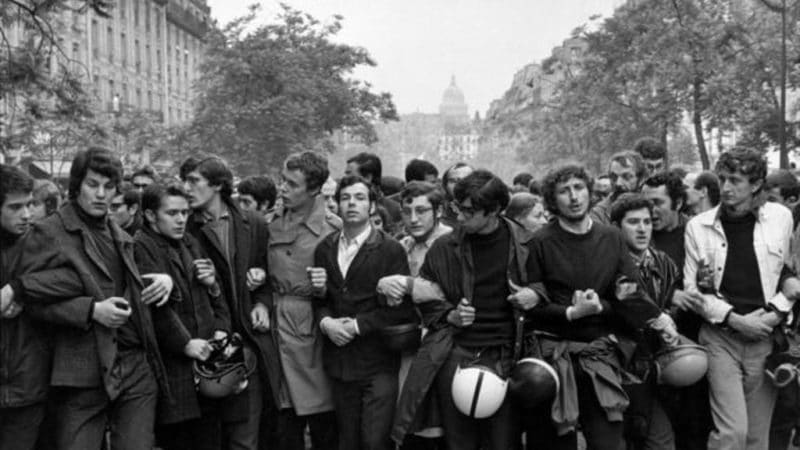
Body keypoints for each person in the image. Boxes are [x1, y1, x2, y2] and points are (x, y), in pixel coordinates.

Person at [11, 147, 173, 450]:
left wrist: (165, 280)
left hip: (135, 364)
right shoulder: (49, 231)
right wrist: (90, 310)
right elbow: (29, 300)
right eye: (92, 184)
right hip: (81, 368)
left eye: (109, 187)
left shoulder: (119, 233)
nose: (101, 194)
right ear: (77, 185)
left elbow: (131, 279)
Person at [524, 163, 677, 450]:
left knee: (608, 441)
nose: (574, 197)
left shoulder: (611, 237)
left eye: (579, 188)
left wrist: (656, 318)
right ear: (552, 199)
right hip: (555, 355)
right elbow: (532, 306)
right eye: (564, 191)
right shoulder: (539, 242)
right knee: (556, 442)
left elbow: (627, 291)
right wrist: (571, 313)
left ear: (589, 191)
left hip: (601, 353)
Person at [386, 170, 542, 449]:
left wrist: (536, 294)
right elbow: (427, 298)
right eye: (457, 208)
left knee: (503, 441)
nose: (459, 217)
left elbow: (552, 286)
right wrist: (450, 314)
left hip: (507, 354)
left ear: (494, 210)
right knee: (458, 441)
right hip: (455, 352)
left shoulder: (527, 243)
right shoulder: (445, 247)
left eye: (469, 212)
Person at [683, 148, 800, 450]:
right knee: (732, 433)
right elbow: (693, 290)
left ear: (756, 184)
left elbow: (787, 274)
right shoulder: (698, 226)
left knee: (756, 438)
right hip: (721, 337)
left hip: (765, 337)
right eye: (722, 179)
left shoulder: (780, 218)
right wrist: (735, 320)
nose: (725, 187)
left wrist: (774, 314)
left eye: (735, 180)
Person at [180, 155, 282, 450]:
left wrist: (261, 304)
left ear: (217, 184)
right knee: (208, 436)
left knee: (246, 434)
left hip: (248, 344)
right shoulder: (184, 227)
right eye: (184, 181)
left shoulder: (253, 223)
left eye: (194, 181)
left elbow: (266, 276)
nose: (186, 188)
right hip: (205, 344)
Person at [311, 174, 416, 450]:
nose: (351, 204)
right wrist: (326, 323)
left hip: (377, 359)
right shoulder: (324, 248)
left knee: (374, 440)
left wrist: (356, 326)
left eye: (359, 198)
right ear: (336, 204)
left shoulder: (390, 249)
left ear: (371, 205)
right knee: (347, 440)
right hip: (339, 360)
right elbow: (320, 300)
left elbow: (401, 311)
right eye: (345, 198)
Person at [134, 183, 231, 450]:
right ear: (150, 215)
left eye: (185, 212)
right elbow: (156, 308)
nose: (180, 219)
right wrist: (185, 343)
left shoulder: (190, 242)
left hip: (206, 367)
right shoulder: (141, 247)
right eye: (172, 213)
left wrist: (221, 327)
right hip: (173, 372)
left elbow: (214, 294)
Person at [268, 152, 339, 450]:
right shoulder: (269, 223)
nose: (283, 188)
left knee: (322, 419)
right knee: (282, 423)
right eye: (283, 180)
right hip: (273, 326)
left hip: (313, 330)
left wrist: (325, 288)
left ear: (314, 189)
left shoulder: (334, 229)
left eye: (292, 184)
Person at [609, 193, 679, 450]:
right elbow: (625, 293)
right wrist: (659, 319)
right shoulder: (607, 259)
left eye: (647, 222)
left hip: (656, 363)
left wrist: (670, 320)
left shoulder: (664, 262)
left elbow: (671, 299)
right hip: (617, 363)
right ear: (616, 227)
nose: (642, 229)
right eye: (633, 222)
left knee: (661, 440)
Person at [0, 164, 47, 450]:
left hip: (27, 386)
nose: (27, 214)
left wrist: (19, 289)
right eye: (15, 207)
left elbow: (69, 277)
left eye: (29, 204)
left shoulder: (41, 240)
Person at [641, 172, 688, 269]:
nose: (651, 209)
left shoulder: (696, 233)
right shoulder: (637, 235)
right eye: (646, 203)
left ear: (678, 203)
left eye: (657, 202)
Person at [345, 152, 402, 231]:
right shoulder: (342, 207)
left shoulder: (395, 210)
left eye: (349, 174)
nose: (344, 179)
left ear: (367, 177)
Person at [590, 151, 647, 224]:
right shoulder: (599, 214)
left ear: (640, 179)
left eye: (626, 176)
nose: (618, 183)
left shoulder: (651, 207)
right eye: (613, 177)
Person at [440, 162, 474, 228]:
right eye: (452, 181)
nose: (457, 185)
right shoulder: (437, 212)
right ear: (445, 185)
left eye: (464, 180)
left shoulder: (485, 212)